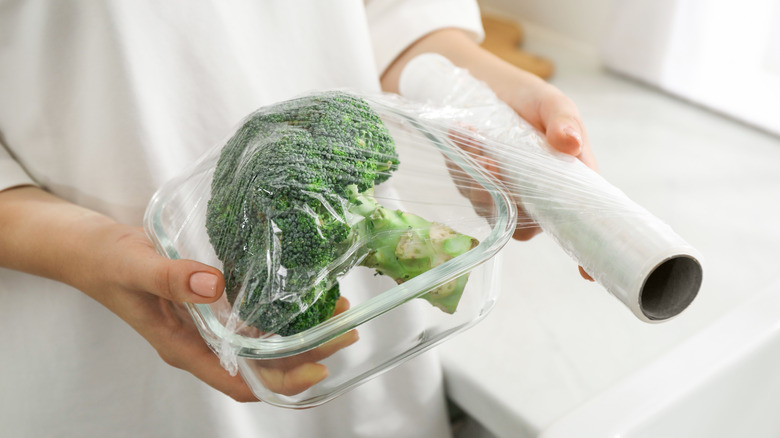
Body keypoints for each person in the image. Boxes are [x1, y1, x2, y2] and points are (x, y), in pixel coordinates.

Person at [0, 1, 596, 437]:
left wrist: (473, 95)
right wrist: (90, 250)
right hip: (103, 346)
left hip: (380, 336)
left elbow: (394, 14)